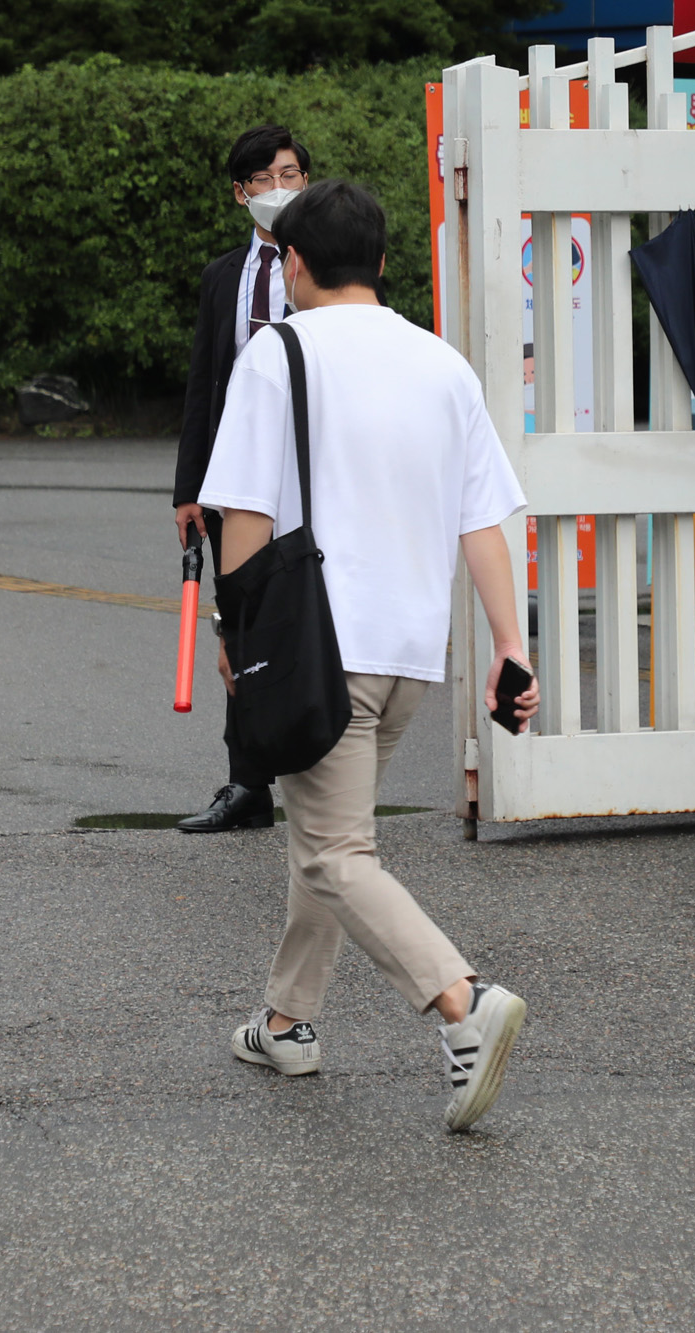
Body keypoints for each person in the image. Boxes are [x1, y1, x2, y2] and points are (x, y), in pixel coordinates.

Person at [198, 178, 539, 1132]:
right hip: (406, 657)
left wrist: (238, 633)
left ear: (293, 265)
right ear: (384, 263)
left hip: (317, 651)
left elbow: (246, 517)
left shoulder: (278, 354)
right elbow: (484, 522)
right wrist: (511, 647)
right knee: (331, 836)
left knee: (337, 850)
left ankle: (463, 1005)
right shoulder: (444, 364)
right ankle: (287, 1020)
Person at [173, 125, 312, 833]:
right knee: (241, 622)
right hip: (238, 476)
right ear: (241, 193)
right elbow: (203, 383)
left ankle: (322, 771)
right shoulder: (222, 276)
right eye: (264, 179)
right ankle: (247, 782)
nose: (279, 189)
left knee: (314, 614)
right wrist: (188, 489)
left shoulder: (324, 265)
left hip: (313, 475)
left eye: (291, 174)